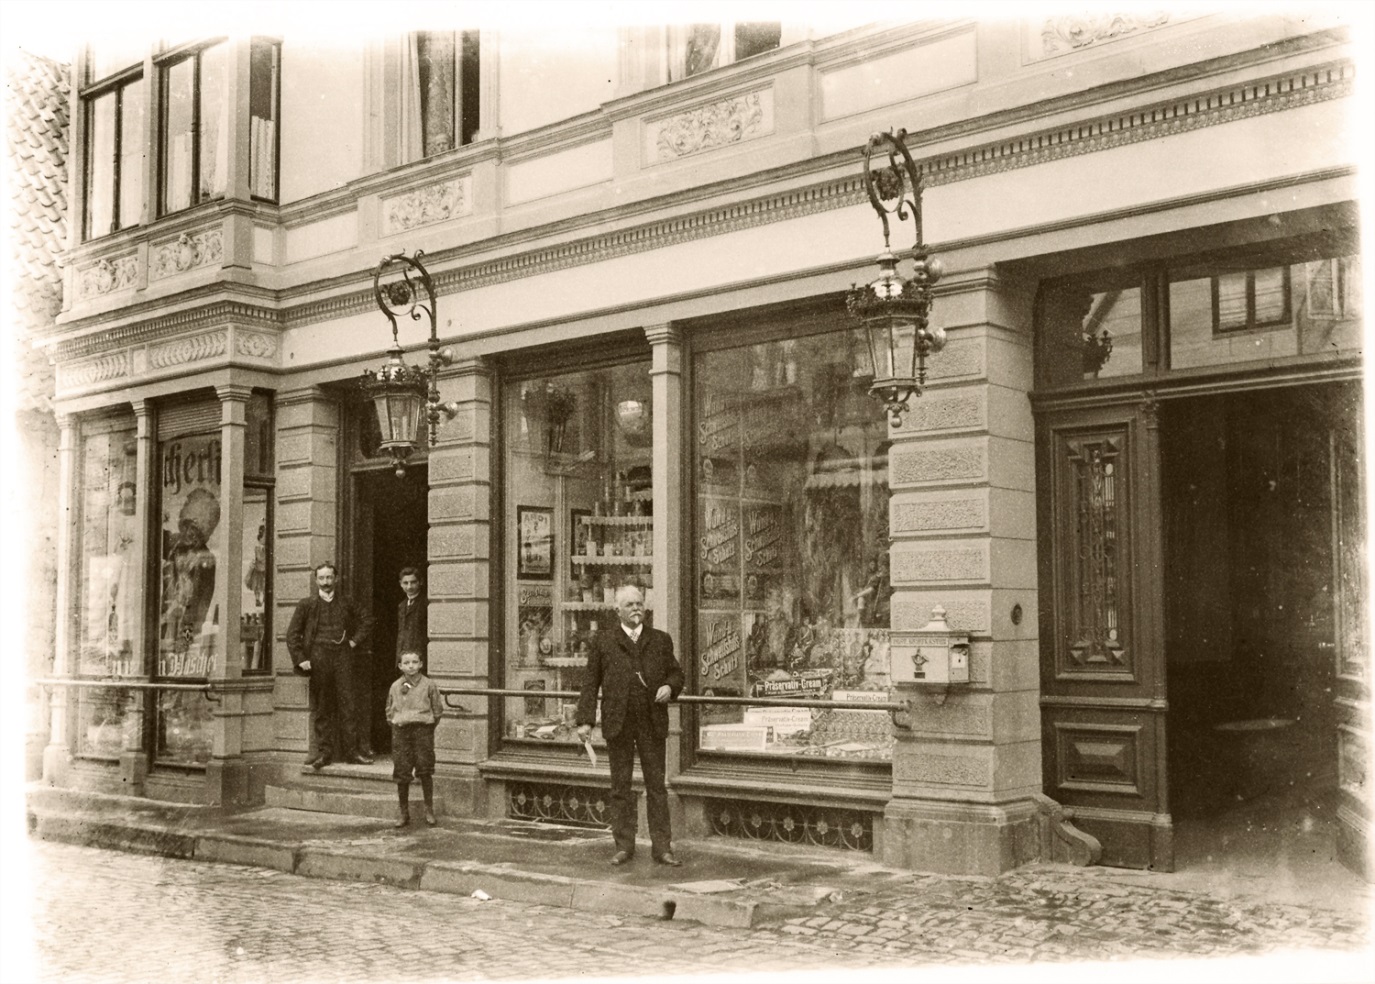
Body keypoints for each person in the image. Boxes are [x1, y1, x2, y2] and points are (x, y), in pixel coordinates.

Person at [575, 584, 684, 867]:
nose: (636, 609)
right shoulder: (603, 642)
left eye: (639, 604)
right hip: (618, 722)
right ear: (617, 610)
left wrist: (670, 688)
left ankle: (662, 848)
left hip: (651, 722)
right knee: (620, 786)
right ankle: (624, 846)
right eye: (630, 605)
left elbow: (676, 673)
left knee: (657, 787)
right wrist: (585, 720)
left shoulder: (660, 640)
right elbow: (590, 683)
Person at [287, 562, 373, 769]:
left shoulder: (346, 602)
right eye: (322, 578)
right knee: (323, 706)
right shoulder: (307, 604)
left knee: (348, 703)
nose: (326, 582)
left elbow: (367, 620)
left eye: (329, 578)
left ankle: (352, 752)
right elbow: (292, 635)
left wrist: (353, 641)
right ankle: (325, 753)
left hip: (343, 656)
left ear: (336, 579)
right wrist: (301, 659)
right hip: (318, 658)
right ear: (316, 580)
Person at [386, 649, 443, 828]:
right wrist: (398, 723)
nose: (411, 666)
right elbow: (389, 710)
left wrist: (425, 726)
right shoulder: (395, 686)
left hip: (422, 731)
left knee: (425, 768)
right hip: (401, 732)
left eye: (414, 662)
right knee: (402, 771)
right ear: (400, 666)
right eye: (407, 663)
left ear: (421, 664)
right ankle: (404, 813)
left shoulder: (429, 685)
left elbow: (437, 710)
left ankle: (429, 810)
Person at [395, 567, 427, 667]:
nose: (409, 587)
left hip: (419, 657)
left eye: (413, 582)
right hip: (404, 657)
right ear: (400, 584)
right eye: (405, 583)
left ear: (420, 582)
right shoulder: (402, 605)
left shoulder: (426, 603)